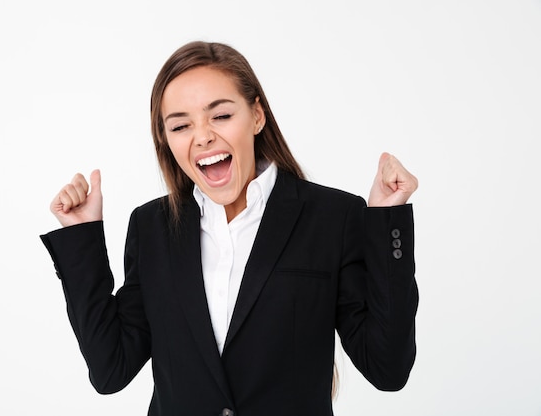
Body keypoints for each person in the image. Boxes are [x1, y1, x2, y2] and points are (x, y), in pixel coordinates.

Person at [40, 41, 419, 416]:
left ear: (256, 116)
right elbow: (110, 371)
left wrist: (387, 222)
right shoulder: (152, 227)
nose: (202, 135)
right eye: (181, 125)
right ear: (166, 139)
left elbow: (387, 369)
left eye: (220, 116)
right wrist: (80, 238)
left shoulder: (332, 217)